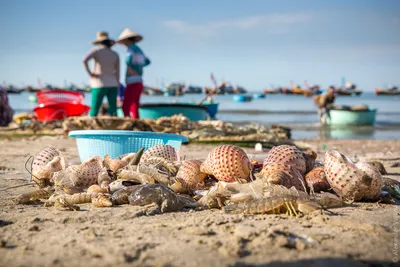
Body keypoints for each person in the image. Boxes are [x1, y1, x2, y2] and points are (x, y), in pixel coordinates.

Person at [83, 32, 120, 116]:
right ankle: (114, 127)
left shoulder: (96, 51)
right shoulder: (115, 54)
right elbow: (117, 71)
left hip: (99, 83)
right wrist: (117, 83)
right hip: (113, 83)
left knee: (94, 109)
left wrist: (90, 73)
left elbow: (84, 60)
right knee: (113, 109)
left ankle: (92, 127)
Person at [116, 28, 151, 118]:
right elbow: (147, 61)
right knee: (135, 105)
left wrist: (132, 68)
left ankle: (128, 124)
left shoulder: (131, 49)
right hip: (139, 80)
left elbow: (128, 60)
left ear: (127, 40)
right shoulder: (139, 50)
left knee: (126, 106)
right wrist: (139, 67)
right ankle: (136, 122)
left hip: (132, 80)